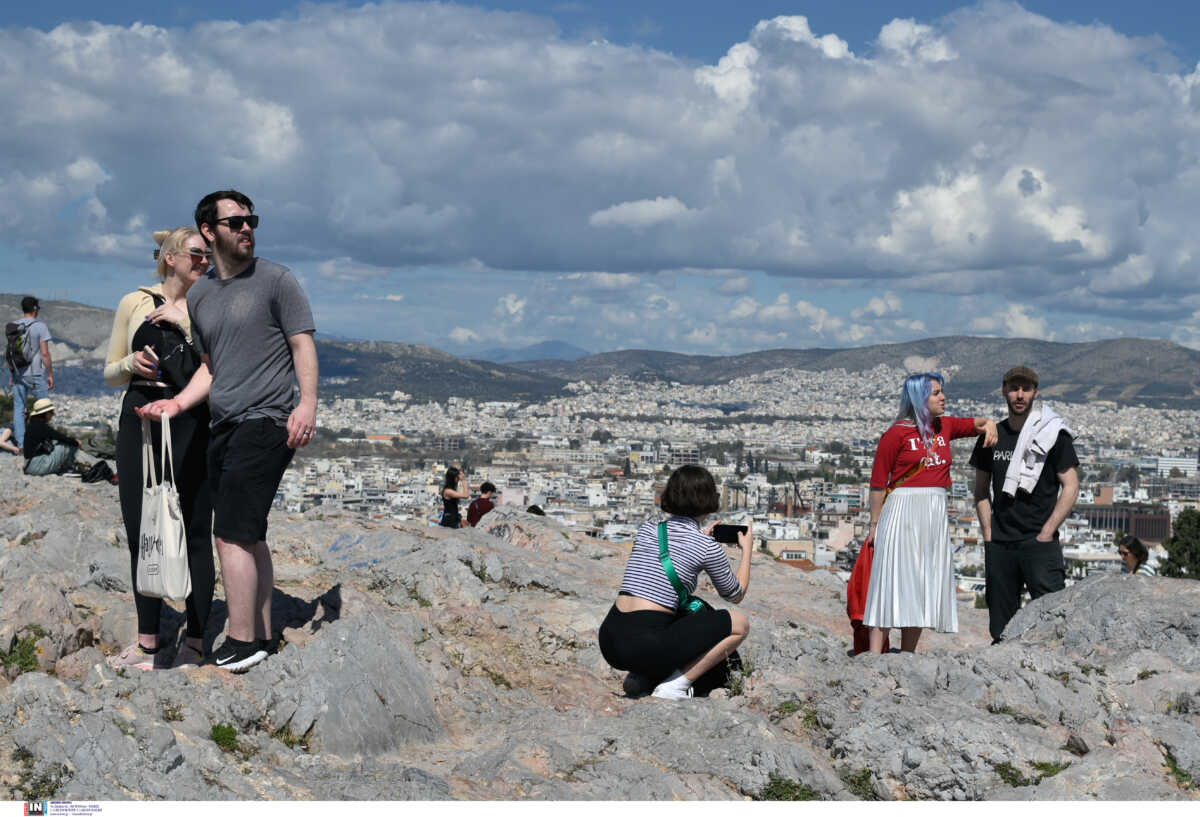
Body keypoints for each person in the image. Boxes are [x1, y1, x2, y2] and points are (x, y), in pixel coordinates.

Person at [139, 190, 318, 673]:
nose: (247, 228)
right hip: (225, 421)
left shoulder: (277, 280)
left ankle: (240, 640)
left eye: (251, 220)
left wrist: (307, 404)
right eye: (235, 221)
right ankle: (260, 634)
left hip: (266, 418)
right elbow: (211, 367)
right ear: (208, 231)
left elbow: (302, 345)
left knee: (231, 534)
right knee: (250, 533)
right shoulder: (201, 296)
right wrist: (175, 403)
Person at [102, 227, 215, 670]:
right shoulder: (135, 302)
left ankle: (198, 639)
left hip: (190, 418)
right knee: (140, 526)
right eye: (195, 254)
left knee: (195, 530)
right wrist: (133, 363)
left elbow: (216, 367)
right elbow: (111, 372)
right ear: (170, 257)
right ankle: (149, 641)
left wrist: (184, 323)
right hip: (140, 416)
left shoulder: (209, 305)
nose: (204, 261)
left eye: (207, 256)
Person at [863, 373, 998, 654]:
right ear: (918, 397)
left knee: (921, 582)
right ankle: (875, 658)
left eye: (942, 391)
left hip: (934, 512)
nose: (942, 397)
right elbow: (877, 483)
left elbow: (979, 423)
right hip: (902, 510)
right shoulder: (896, 433)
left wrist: (991, 425)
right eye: (935, 393)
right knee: (891, 579)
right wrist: (875, 524)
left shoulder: (944, 426)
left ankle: (908, 656)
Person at [598, 464, 753, 700]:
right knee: (739, 623)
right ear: (710, 499)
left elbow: (660, 570)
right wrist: (747, 550)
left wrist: (702, 541)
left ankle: (642, 677)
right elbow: (735, 594)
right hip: (643, 645)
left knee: (690, 607)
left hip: (610, 638)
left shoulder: (649, 528)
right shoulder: (707, 546)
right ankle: (675, 685)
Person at [971, 365, 1079, 644]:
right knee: (1000, 627)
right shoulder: (991, 436)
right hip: (1001, 543)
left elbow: (1071, 485)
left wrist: (1047, 532)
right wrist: (988, 534)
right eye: (1014, 388)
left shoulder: (1053, 434)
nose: (1020, 394)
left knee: (1053, 620)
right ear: (1004, 390)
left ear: (1035, 392)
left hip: (1039, 542)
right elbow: (981, 490)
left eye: (1026, 388)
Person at [7, 295, 54, 450]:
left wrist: (12, 374)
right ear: (34, 308)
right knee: (44, 409)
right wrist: (50, 374)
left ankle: (21, 445)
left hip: (17, 373)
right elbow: (45, 354)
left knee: (19, 408)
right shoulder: (40, 326)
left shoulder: (14, 326)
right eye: (38, 308)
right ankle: (42, 443)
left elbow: (12, 353)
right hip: (35, 373)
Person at [22, 399, 82, 475]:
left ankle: (68, 466)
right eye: (51, 412)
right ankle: (69, 468)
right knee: (67, 445)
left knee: (60, 442)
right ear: (46, 413)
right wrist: (76, 442)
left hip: (29, 465)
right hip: (38, 466)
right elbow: (62, 438)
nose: (53, 414)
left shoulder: (33, 424)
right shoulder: (41, 427)